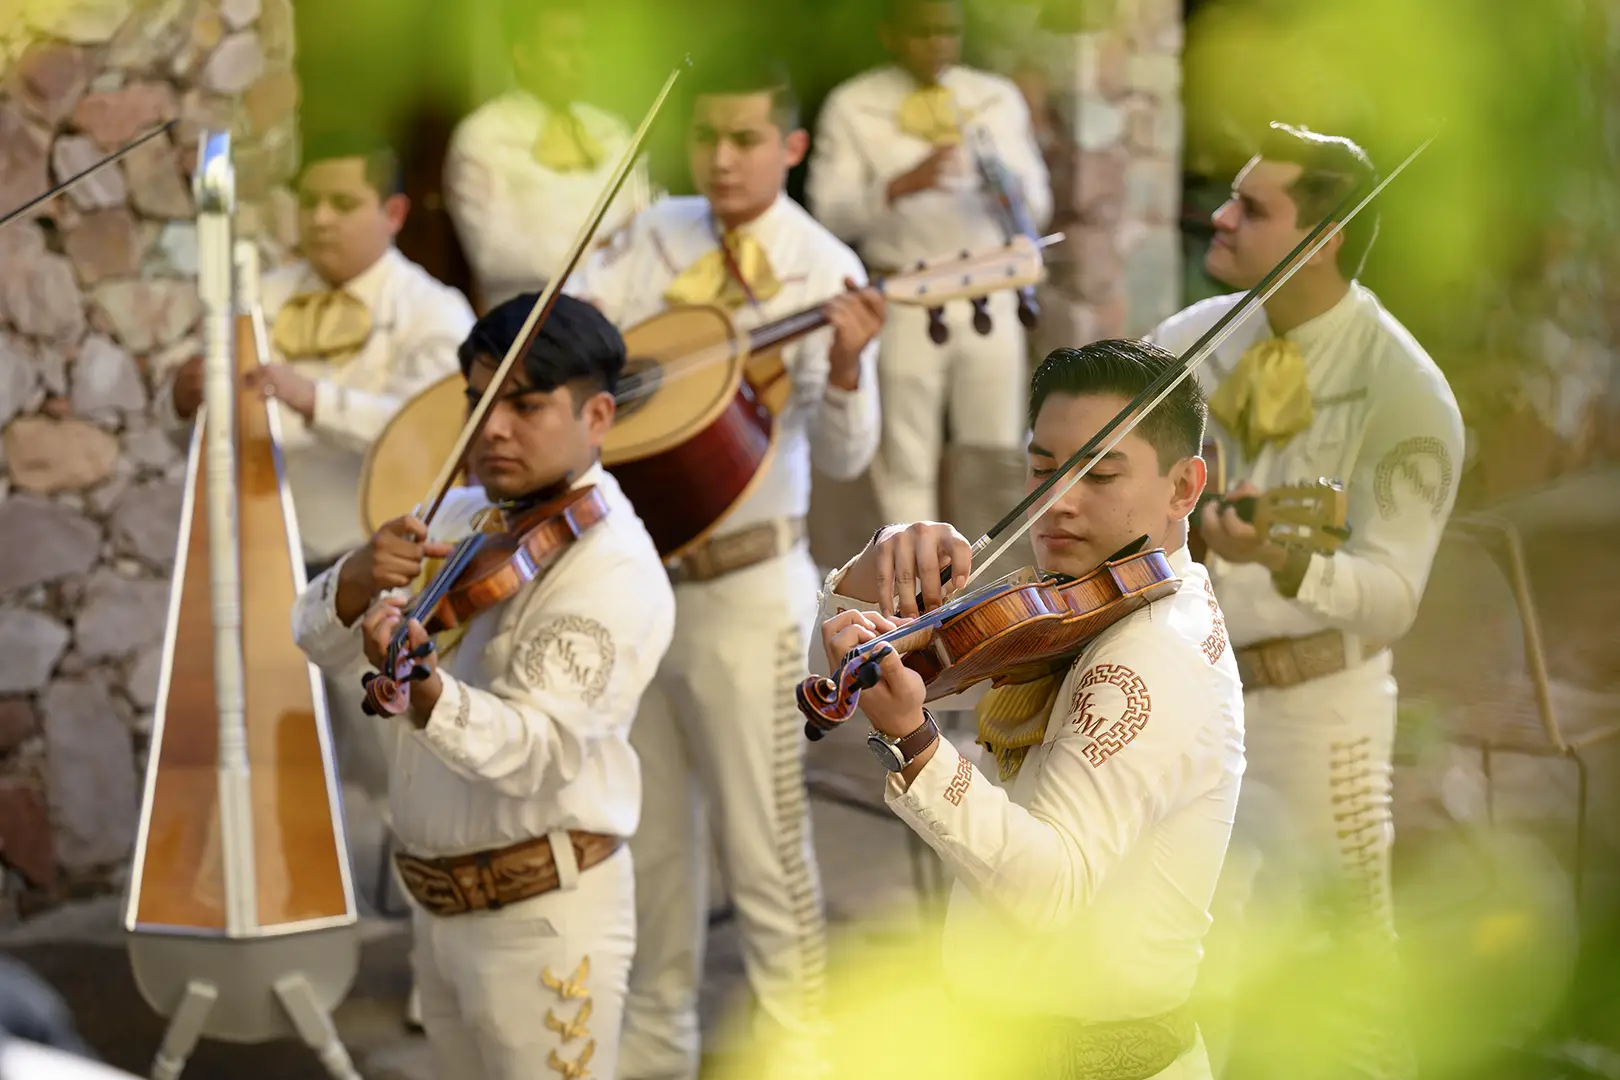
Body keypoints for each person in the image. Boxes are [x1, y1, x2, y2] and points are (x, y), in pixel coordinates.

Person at [561, 53, 886, 1080]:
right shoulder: (652, 235)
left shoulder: (824, 263)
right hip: (639, 580)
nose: (723, 158)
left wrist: (844, 362)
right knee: (651, 850)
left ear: (790, 147)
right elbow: (574, 348)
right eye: (706, 138)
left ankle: (796, 1055)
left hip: (752, 589)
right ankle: (658, 1054)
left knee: (765, 848)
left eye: (746, 139)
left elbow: (843, 456)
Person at [811, 339, 1244, 1080]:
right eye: (1041, 470)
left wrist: (915, 742)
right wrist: (864, 577)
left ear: (1185, 486)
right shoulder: (1084, 605)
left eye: (1099, 473)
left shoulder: (1152, 649)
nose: (1057, 501)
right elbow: (818, 680)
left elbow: (1052, 888)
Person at [288, 292, 675, 1080]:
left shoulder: (616, 567)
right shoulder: (463, 511)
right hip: (437, 916)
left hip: (541, 926)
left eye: (525, 404)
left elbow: (540, 749)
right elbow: (310, 636)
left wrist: (428, 691)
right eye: (479, 400)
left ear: (596, 415)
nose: (492, 426)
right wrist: (358, 578)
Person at [1148, 122, 1465, 1078]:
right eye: (1230, 194)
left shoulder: (1408, 394)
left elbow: (1393, 598)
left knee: (1351, 999)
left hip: (1319, 718)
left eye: (1252, 206)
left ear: (1321, 240)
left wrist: (1290, 566)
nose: (1221, 214)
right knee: (1192, 976)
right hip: (1195, 702)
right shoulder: (1186, 343)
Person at [152, 130, 476, 1032]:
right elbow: (199, 397)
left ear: (394, 212)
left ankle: (435, 972)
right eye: (311, 204)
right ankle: (294, 947)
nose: (321, 221)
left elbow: (427, 436)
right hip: (260, 566)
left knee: (403, 781)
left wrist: (311, 396)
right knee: (279, 765)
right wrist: (180, 393)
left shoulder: (431, 308)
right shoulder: (273, 289)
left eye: (343, 204)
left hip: (373, 577)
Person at [806, 0, 1052, 526]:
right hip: (905, 298)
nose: (939, 44)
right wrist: (897, 186)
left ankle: (994, 590)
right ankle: (913, 596)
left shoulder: (994, 98)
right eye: (923, 32)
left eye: (949, 32)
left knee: (995, 454)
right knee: (905, 461)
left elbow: (1039, 203)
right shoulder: (853, 104)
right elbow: (827, 213)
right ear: (890, 34)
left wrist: (1003, 180)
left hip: (988, 295)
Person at [444, 0, 652, 311]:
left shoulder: (611, 130)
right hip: (535, 317)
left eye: (586, 45)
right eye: (565, 46)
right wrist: (601, 251)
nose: (581, 60)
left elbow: (643, 219)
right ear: (523, 56)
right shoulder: (483, 136)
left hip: (626, 304)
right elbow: (494, 256)